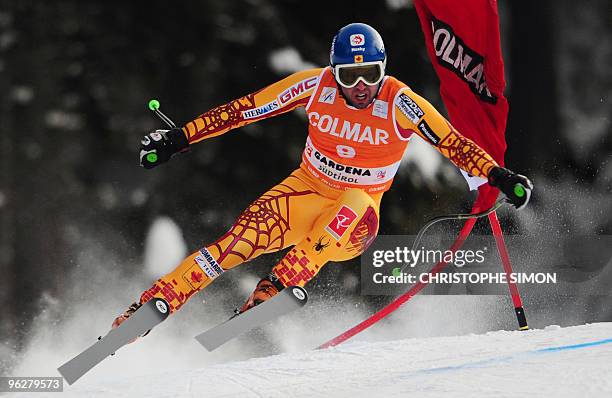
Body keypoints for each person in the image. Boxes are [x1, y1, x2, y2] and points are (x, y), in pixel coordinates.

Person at [112, 23, 533, 330]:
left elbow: (452, 143)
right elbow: (243, 110)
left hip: (355, 220)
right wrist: (180, 137)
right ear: (335, 72)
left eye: (371, 73)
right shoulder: (315, 87)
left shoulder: (400, 102)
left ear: (383, 70)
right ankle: (155, 302)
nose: (362, 86)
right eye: (350, 76)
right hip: (305, 194)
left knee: (352, 204)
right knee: (232, 245)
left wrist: (498, 175)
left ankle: (276, 288)